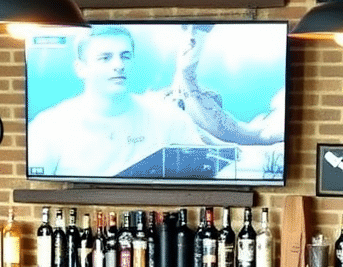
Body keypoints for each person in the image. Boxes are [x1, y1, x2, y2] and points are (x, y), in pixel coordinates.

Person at [27, 26, 213, 177]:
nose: (118, 65)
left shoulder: (169, 117)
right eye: (105, 58)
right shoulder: (48, 126)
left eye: (125, 56)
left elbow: (207, 171)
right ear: (81, 68)